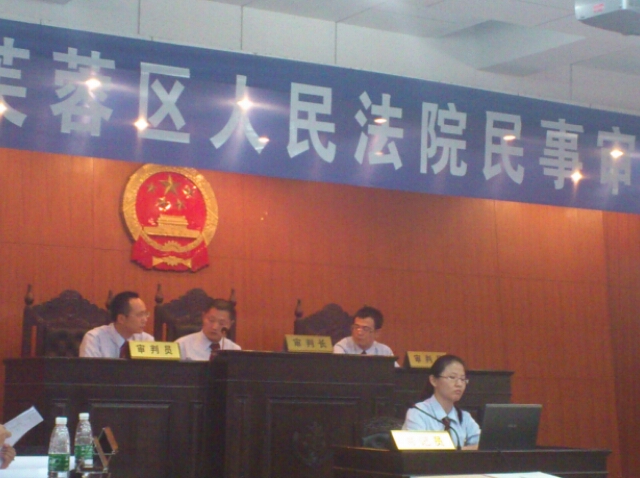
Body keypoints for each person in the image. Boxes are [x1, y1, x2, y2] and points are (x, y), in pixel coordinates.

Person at [402, 354, 480, 450]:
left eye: (463, 379)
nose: (459, 384)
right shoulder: (418, 413)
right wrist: (460, 452)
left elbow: (484, 445)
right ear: (433, 380)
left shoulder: (464, 418)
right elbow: (416, 452)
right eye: (452, 377)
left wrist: (458, 452)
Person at [79, 291, 154, 358]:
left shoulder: (146, 340)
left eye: (145, 314)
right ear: (121, 319)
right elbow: (89, 369)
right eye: (140, 315)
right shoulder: (95, 339)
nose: (145, 320)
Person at [176, 298, 241, 360]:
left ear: (230, 324)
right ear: (203, 317)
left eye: (221, 323)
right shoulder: (182, 346)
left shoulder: (235, 350)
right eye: (211, 320)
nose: (214, 327)